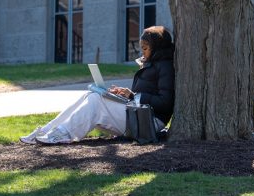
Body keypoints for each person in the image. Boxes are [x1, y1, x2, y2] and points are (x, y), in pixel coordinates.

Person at [20, 26, 175, 145]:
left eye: (145, 48)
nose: (142, 52)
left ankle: (63, 134)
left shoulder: (165, 67)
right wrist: (123, 95)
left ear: (157, 48)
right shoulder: (152, 64)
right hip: (138, 115)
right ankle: (46, 131)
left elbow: (165, 102)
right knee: (92, 95)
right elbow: (143, 94)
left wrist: (134, 95)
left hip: (149, 122)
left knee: (95, 101)